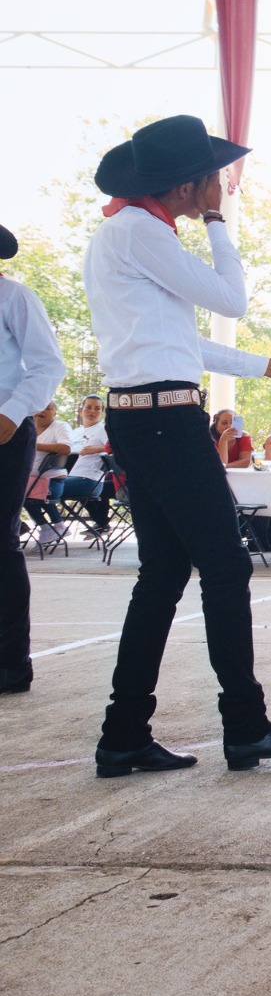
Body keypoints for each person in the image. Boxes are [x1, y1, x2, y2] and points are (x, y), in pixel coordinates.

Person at [82, 115, 271, 775]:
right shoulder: (140, 231)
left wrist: (266, 367)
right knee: (225, 566)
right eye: (213, 178)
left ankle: (123, 734)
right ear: (189, 186)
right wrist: (219, 224)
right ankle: (243, 726)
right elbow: (231, 299)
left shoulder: (126, 232)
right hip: (163, 419)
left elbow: (178, 343)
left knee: (162, 575)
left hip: (144, 415)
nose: (221, 185)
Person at [0, 222, 66, 695]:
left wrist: (10, 413)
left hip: (4, 427)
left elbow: (48, 364)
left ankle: (10, 664)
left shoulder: (15, 298)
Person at [57, 393, 112, 533]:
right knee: (36, 486)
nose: (93, 411)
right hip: (68, 475)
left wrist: (97, 449)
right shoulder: (76, 432)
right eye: (88, 407)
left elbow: (116, 450)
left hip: (88, 479)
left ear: (101, 412)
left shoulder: (103, 429)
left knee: (43, 488)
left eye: (97, 408)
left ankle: (53, 527)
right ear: (81, 410)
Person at [23, 401, 71, 541]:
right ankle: (22, 527)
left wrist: (34, 445)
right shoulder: (27, 427)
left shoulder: (60, 426)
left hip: (51, 482)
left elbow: (65, 448)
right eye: (38, 408)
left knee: (17, 495)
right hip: (28, 480)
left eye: (47, 408)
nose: (41, 411)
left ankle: (51, 527)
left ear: (54, 413)